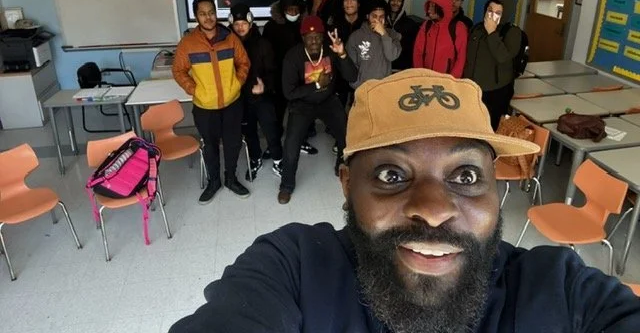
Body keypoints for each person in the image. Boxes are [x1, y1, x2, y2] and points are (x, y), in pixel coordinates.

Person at [170, 68, 640, 333]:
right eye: (391, 175)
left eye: (466, 175)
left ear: (495, 188)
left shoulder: (559, 290)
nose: (433, 210)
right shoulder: (294, 268)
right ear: (346, 184)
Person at [172, 0, 251, 204]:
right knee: (210, 146)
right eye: (203, 14)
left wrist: (237, 83)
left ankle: (231, 179)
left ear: (216, 13)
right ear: (196, 16)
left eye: (211, 12)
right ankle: (214, 181)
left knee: (233, 143)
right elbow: (178, 71)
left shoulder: (230, 38)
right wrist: (194, 89)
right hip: (205, 106)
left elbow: (244, 63)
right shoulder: (188, 43)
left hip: (232, 103)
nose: (208, 17)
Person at [277, 16, 357, 204]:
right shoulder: (293, 56)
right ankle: (286, 185)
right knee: (291, 144)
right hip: (302, 104)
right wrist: (316, 85)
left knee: (346, 135)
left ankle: (341, 165)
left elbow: (352, 76)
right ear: (303, 38)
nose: (314, 41)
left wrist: (342, 54)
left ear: (323, 37)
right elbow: (289, 93)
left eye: (318, 37)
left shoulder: (331, 50)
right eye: (309, 37)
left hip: (328, 100)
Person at [229, 3, 283, 180]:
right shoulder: (228, 46)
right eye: (236, 24)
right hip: (240, 98)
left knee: (271, 129)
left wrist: (264, 86)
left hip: (262, 97)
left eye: (244, 23)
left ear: (251, 23)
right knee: (249, 131)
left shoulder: (263, 44)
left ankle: (278, 160)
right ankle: (255, 158)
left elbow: (274, 71)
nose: (240, 27)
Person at [263, 0, 318, 155]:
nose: (293, 13)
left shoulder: (305, 25)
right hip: (278, 76)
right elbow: (266, 53)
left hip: (301, 76)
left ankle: (302, 140)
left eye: (296, 10)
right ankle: (274, 144)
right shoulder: (271, 26)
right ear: (282, 10)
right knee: (277, 113)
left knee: (302, 111)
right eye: (289, 10)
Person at [463, 0, 523, 131]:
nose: (492, 15)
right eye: (490, 10)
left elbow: (503, 57)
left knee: (490, 127)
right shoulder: (477, 28)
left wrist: (492, 33)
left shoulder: (512, 32)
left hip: (495, 90)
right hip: (473, 87)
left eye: (498, 12)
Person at [347, 0, 401, 89]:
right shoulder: (356, 36)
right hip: (362, 88)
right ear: (367, 16)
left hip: (384, 87)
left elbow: (391, 56)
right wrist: (357, 84)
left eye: (381, 17)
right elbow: (350, 66)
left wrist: (384, 34)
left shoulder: (392, 34)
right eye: (374, 16)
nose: (377, 20)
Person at [330, 0, 371, 107]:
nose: (349, 3)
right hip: (339, 75)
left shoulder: (367, 25)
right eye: (345, 0)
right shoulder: (334, 26)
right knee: (338, 108)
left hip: (361, 74)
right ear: (341, 4)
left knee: (358, 110)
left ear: (359, 3)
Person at [413, 0, 468, 78]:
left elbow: (461, 58)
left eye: (433, 7)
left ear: (443, 8)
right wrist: (420, 75)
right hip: (425, 78)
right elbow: (418, 52)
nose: (429, 10)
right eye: (429, 6)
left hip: (446, 80)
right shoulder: (427, 25)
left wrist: (451, 80)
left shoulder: (458, 27)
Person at [387, 0, 420, 71]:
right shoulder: (382, 20)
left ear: (403, 3)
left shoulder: (410, 24)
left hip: (401, 67)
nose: (395, 3)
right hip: (384, 65)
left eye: (399, 0)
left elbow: (414, 47)